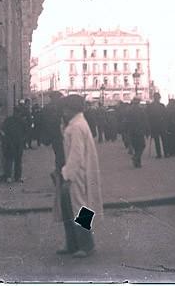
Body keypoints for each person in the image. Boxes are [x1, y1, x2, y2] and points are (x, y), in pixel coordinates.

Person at [54, 94, 103, 258]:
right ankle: (73, 243)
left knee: (80, 207)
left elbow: (76, 154)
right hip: (78, 171)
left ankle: (86, 244)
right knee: (71, 208)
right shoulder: (78, 123)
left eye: (65, 108)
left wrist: (68, 175)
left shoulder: (76, 127)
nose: (63, 111)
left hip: (77, 172)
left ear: (71, 109)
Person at [2, 104, 28, 183]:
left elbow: (4, 129)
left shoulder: (8, 120)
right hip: (17, 142)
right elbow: (26, 131)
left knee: (10, 160)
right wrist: (23, 139)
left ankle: (9, 177)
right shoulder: (22, 121)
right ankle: (17, 177)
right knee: (17, 160)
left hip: (10, 142)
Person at [126, 98, 148, 168]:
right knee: (142, 146)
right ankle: (136, 158)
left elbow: (126, 121)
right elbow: (145, 121)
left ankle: (137, 163)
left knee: (136, 147)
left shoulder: (129, 110)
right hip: (139, 130)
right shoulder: (141, 110)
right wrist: (147, 130)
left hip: (131, 131)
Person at [146, 93, 167, 159]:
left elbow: (148, 116)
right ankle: (166, 153)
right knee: (164, 139)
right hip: (161, 124)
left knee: (157, 140)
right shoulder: (162, 106)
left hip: (154, 125)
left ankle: (159, 154)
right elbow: (165, 116)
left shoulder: (150, 106)